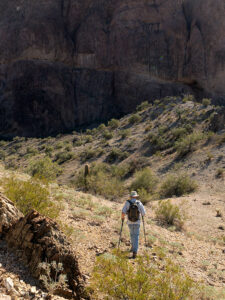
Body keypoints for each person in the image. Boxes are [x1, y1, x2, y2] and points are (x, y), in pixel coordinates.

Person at [121, 191, 146, 258]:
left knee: (132, 235)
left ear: (131, 196)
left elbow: (123, 212)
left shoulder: (127, 202)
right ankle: (135, 251)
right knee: (136, 236)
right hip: (137, 222)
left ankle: (133, 247)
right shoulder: (139, 203)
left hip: (130, 222)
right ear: (136, 196)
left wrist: (122, 218)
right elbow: (144, 213)